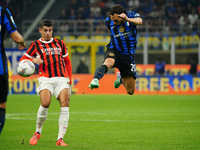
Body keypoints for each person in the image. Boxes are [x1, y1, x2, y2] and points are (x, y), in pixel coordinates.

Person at [19, 19, 72, 146]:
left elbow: (68, 62)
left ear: (52, 30)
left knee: (65, 103)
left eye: (50, 30)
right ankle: (38, 132)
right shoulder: (35, 45)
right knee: (45, 103)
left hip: (61, 78)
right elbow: (22, 60)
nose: (48, 33)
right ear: (40, 30)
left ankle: (60, 139)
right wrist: (33, 59)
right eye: (45, 31)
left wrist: (69, 79)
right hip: (46, 79)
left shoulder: (60, 43)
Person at [88, 4, 142, 95]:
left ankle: (120, 77)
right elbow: (111, 33)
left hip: (127, 55)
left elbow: (140, 21)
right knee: (108, 64)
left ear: (122, 16)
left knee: (130, 91)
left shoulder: (131, 15)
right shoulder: (108, 21)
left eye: (116, 20)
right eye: (113, 20)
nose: (114, 22)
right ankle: (95, 79)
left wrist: (127, 19)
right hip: (114, 49)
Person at [0, 6, 26, 134]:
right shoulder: (2, 12)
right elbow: (16, 38)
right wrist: (22, 41)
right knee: (1, 104)